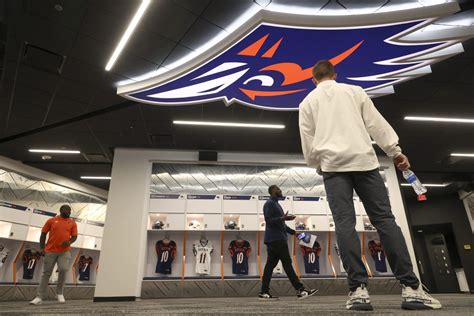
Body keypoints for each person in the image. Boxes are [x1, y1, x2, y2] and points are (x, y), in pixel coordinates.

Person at [298, 60, 442, 311]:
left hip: (333, 168)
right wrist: (395, 152)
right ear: (335, 74)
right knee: (385, 221)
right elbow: (376, 124)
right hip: (365, 163)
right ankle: (411, 289)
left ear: (313, 79)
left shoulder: (307, 102)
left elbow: (308, 143)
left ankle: (358, 291)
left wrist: (317, 163)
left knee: (345, 225)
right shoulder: (355, 92)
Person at [258, 185, 317, 300]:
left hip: (275, 240)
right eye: (278, 189)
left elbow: (281, 225)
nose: (280, 190)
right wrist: (282, 218)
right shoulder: (270, 203)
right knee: (287, 264)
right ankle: (300, 290)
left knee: (270, 266)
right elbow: (268, 221)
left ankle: (263, 292)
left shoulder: (276, 204)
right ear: (273, 191)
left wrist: (295, 233)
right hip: (277, 240)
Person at [30, 204, 78, 305]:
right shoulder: (51, 220)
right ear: (61, 210)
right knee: (46, 273)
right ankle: (39, 297)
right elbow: (43, 234)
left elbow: (74, 236)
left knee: (63, 270)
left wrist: (69, 242)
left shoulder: (72, 222)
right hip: (50, 251)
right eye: (67, 211)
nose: (69, 212)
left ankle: (59, 293)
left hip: (64, 252)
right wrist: (42, 248)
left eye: (70, 211)